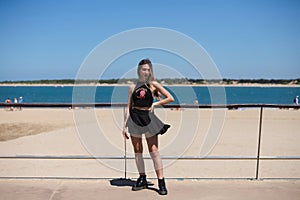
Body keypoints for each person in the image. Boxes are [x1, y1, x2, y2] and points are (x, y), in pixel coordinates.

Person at [123, 59, 174, 195]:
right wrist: (124, 126)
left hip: (149, 118)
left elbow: (170, 98)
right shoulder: (132, 87)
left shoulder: (153, 84)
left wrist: (155, 104)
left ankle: (161, 182)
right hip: (134, 118)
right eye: (143, 69)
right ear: (139, 70)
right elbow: (128, 106)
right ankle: (142, 177)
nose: (146, 71)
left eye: (148, 69)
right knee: (137, 150)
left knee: (154, 151)